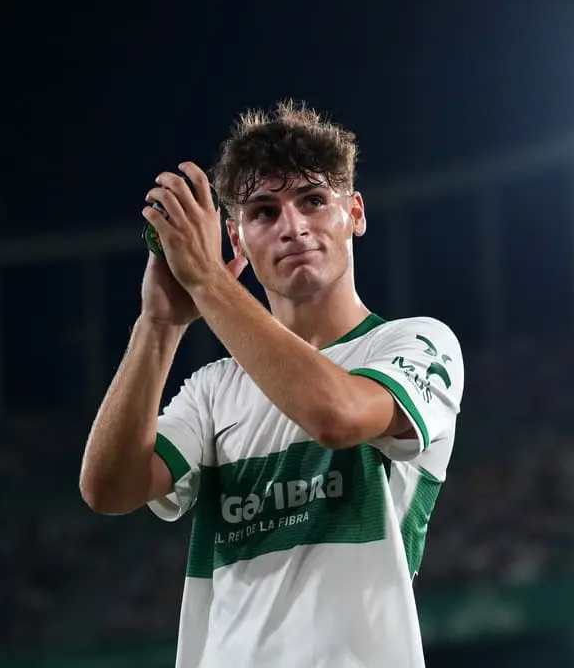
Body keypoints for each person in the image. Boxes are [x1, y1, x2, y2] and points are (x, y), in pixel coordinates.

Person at [79, 100, 465, 668]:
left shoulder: (416, 345)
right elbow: (109, 489)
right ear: (236, 240)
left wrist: (208, 281)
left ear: (355, 213)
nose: (293, 227)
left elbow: (335, 416)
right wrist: (158, 325)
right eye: (263, 211)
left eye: (313, 200)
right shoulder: (213, 389)